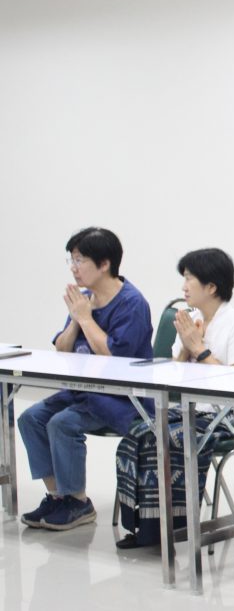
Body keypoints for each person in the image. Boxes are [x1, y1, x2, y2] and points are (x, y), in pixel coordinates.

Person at [114, 248, 234, 548]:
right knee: (139, 434)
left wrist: (199, 349)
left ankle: (174, 526)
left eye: (189, 279)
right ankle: (145, 525)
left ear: (211, 287)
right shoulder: (190, 320)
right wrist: (185, 346)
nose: (183, 287)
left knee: (173, 438)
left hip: (233, 413)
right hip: (193, 407)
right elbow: (176, 375)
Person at [18, 227, 153, 531]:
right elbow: (63, 349)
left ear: (104, 264)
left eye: (80, 260)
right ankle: (58, 497)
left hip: (121, 398)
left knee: (62, 423)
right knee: (30, 418)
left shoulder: (132, 303)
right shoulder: (85, 300)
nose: (73, 268)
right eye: (72, 260)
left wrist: (85, 318)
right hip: (83, 392)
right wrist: (76, 320)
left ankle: (78, 502)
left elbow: (114, 358)